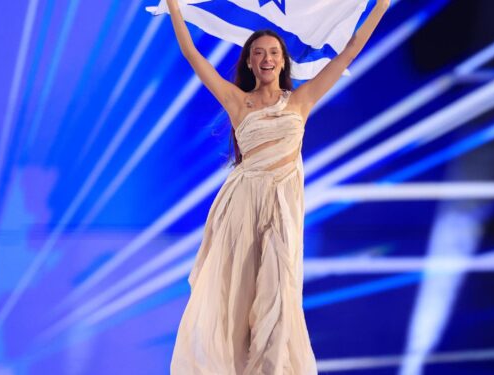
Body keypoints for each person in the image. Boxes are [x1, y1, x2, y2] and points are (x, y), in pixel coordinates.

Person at [164, 0, 389, 373]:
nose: (266, 58)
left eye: (273, 52)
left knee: (277, 298)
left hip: (281, 211)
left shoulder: (301, 101)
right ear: (249, 62)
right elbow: (191, 53)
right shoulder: (238, 102)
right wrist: (174, 5)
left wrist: (379, 5)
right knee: (235, 301)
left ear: (284, 61)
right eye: (258, 53)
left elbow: (350, 49)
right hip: (240, 211)